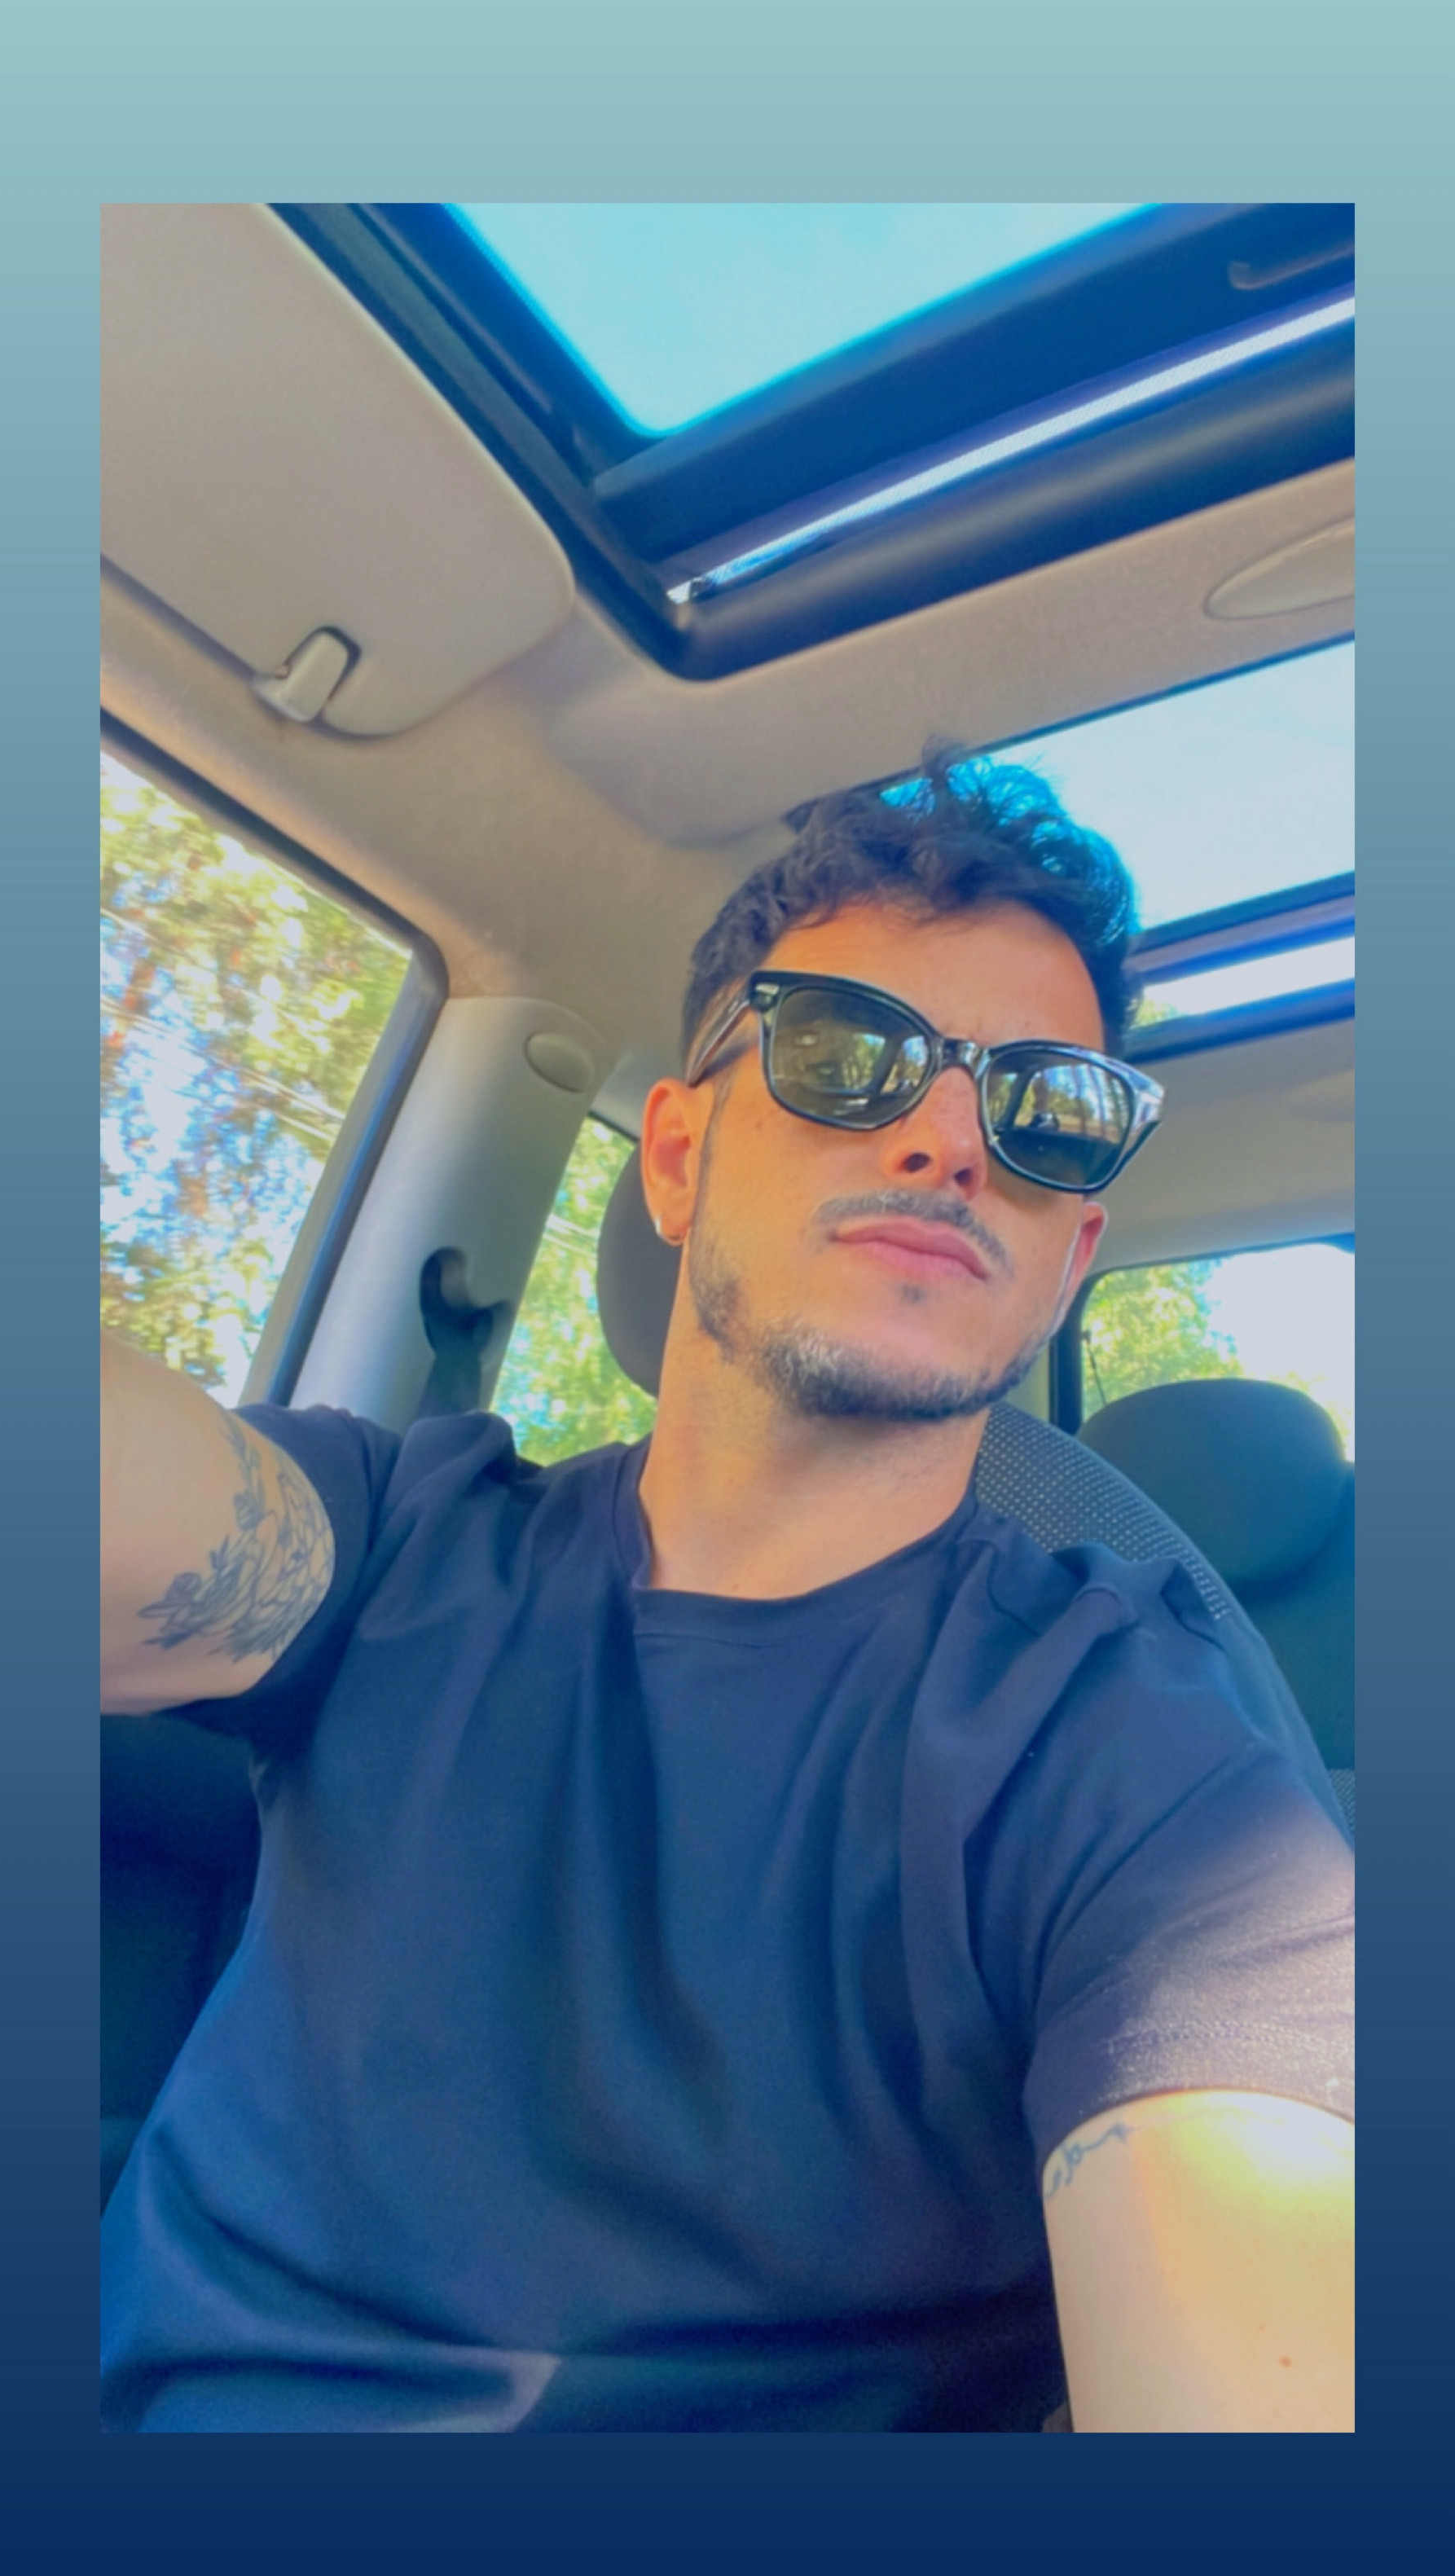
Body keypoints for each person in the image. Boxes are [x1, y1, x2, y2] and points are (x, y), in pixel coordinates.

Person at [99, 754, 1353, 2433]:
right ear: (678, 1159)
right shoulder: (392, 1534)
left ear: (1070, 1258)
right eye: (847, 1052)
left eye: (1046, 1109)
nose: (950, 1139)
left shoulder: (1144, 1759)